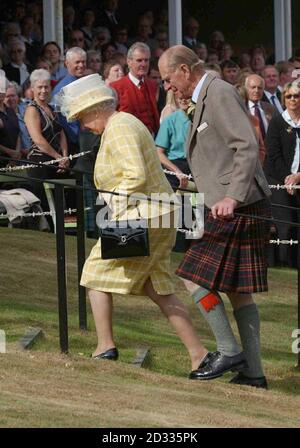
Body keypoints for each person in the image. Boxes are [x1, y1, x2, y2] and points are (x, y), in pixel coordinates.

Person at [57, 73, 209, 373]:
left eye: (83, 118)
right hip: (156, 215)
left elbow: (135, 175)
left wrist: (115, 205)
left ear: (97, 109)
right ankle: (200, 355)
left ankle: (105, 347)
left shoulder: (120, 128)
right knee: (158, 286)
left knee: (93, 273)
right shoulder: (124, 123)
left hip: (141, 217)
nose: (83, 126)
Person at [159, 45, 271, 388]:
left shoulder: (218, 92)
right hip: (228, 202)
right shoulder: (202, 96)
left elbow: (246, 147)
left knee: (193, 276)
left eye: (167, 79)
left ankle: (227, 350)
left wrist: (232, 196)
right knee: (240, 292)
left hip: (237, 204)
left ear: (183, 70)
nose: (167, 87)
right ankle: (253, 373)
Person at [24, 69, 69, 225]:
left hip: (56, 162)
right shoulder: (31, 110)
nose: (43, 90)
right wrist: (58, 157)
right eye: (40, 87)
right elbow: (38, 139)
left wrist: (64, 155)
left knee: (64, 201)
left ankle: (67, 232)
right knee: (46, 207)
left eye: (46, 87)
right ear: (32, 89)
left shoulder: (52, 108)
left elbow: (61, 132)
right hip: (39, 163)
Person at [265, 81, 300, 267]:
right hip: (277, 178)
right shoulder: (277, 122)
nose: (293, 99)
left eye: (296, 96)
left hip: (298, 178)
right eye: (289, 96)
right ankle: (284, 261)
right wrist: (288, 178)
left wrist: (297, 177)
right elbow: (274, 154)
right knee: (285, 221)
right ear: (283, 99)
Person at [110, 42, 160, 136]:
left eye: (146, 60)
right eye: (139, 60)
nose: (143, 64)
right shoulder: (115, 87)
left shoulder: (153, 85)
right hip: (128, 140)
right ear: (129, 62)